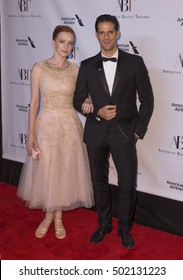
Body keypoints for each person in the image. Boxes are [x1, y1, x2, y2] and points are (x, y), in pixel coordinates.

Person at [73, 14, 154, 249]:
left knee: (127, 184)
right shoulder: (87, 65)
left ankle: (124, 228)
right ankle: (103, 223)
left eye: (110, 31)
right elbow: (78, 100)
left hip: (125, 133)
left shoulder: (135, 62)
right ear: (96, 34)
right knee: (99, 182)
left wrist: (137, 131)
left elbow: (147, 100)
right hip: (96, 132)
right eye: (101, 32)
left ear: (118, 33)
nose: (106, 36)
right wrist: (96, 112)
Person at [17, 25, 94, 239]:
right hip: (46, 125)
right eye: (62, 41)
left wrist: (88, 100)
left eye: (70, 43)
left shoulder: (76, 70)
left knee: (64, 170)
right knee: (47, 169)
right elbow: (33, 103)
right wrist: (30, 134)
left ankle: (58, 217)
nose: (66, 46)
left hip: (69, 126)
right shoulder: (39, 68)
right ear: (53, 42)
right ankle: (48, 215)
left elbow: (82, 97)